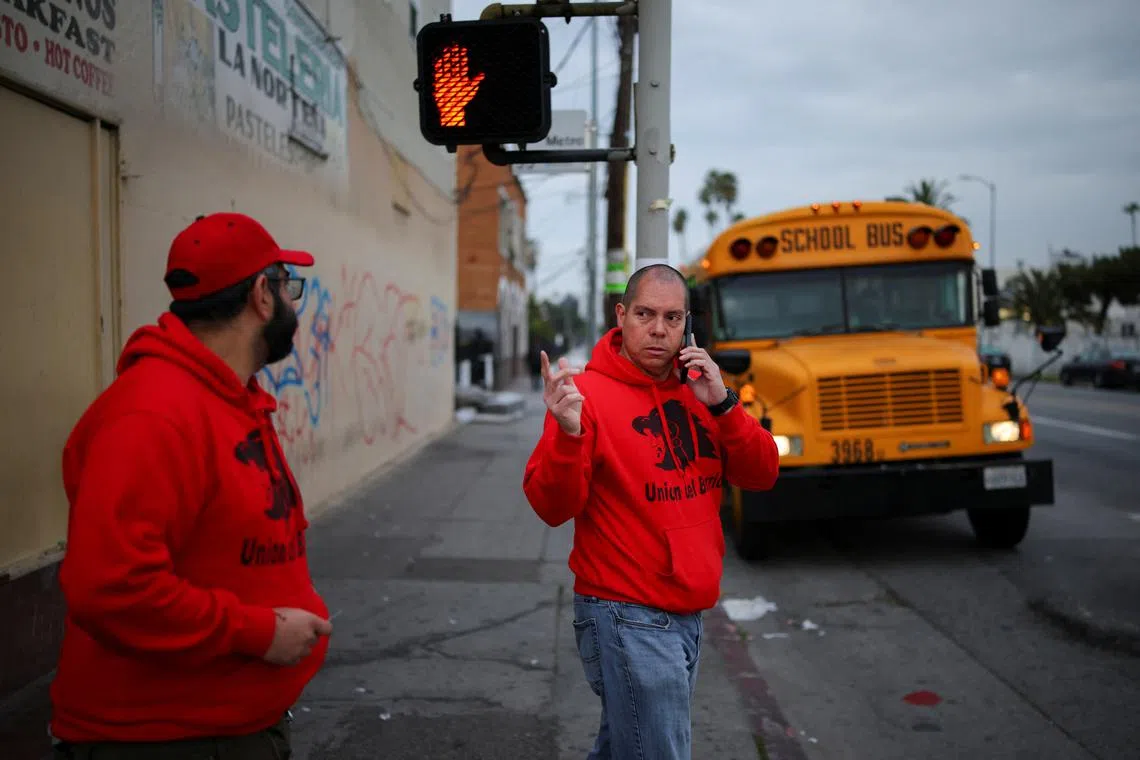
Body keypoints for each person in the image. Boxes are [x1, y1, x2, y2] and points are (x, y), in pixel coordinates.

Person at [49, 212, 332, 759]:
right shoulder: (154, 414)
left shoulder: (225, 396)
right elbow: (111, 587)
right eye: (287, 286)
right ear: (262, 296)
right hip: (169, 739)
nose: (293, 305)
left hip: (224, 725)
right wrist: (260, 634)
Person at [522, 264, 780, 760]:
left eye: (672, 317)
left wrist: (724, 404)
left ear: (688, 324)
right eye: (645, 314)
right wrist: (569, 435)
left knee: (626, 746)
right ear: (621, 316)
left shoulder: (702, 390)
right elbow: (551, 507)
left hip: (687, 611)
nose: (659, 329)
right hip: (624, 611)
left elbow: (763, 473)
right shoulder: (585, 397)